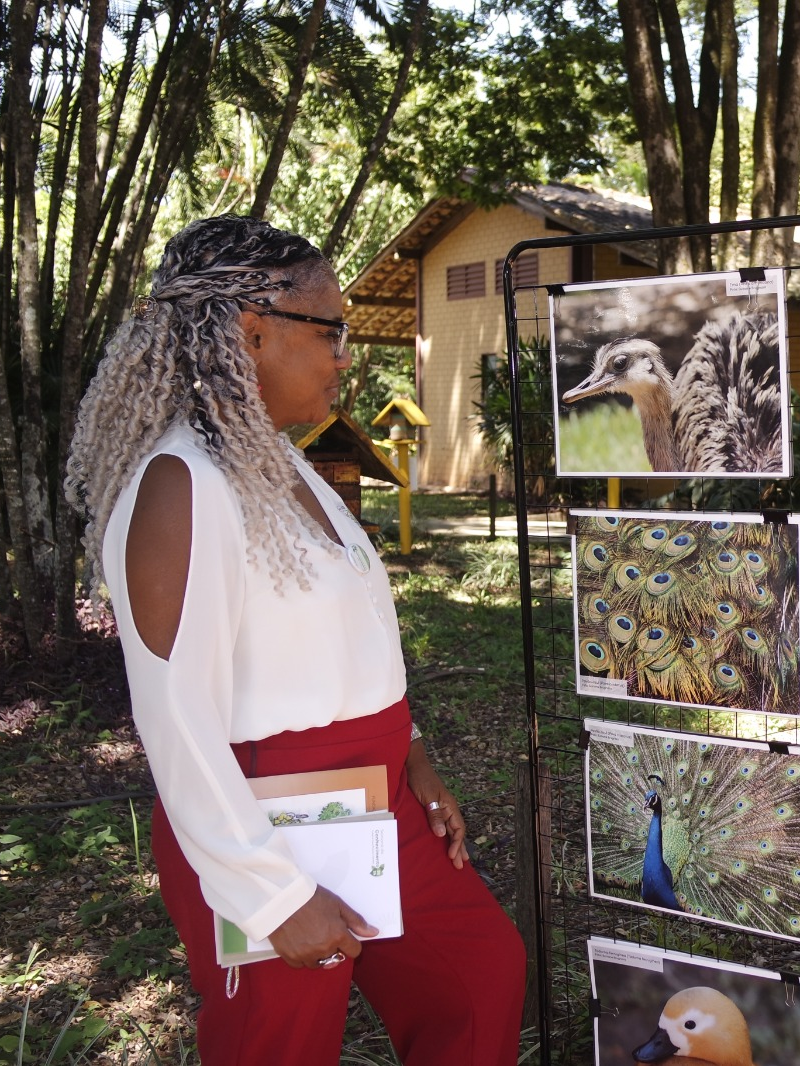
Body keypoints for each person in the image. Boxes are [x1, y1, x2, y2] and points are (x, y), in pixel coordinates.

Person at [65, 215, 526, 1065]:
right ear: (252, 331)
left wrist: (413, 756)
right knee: (280, 1045)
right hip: (268, 814)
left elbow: (346, 638)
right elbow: (175, 719)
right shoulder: (180, 483)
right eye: (331, 331)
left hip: (378, 796)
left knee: (477, 977)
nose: (345, 357)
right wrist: (270, 894)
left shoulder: (281, 459)